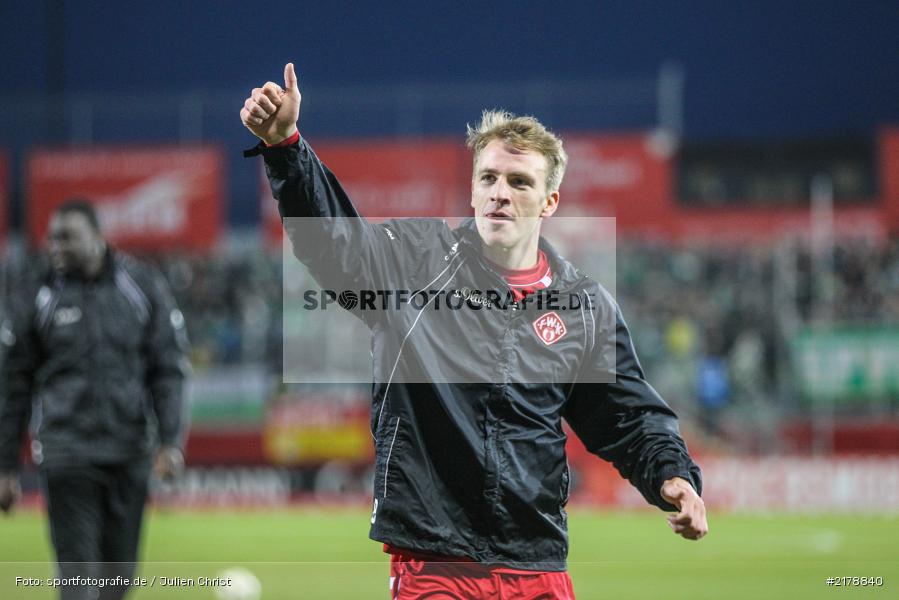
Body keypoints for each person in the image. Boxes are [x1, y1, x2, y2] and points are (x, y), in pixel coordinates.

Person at [241, 63, 707, 599]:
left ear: (549, 202)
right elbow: (336, 247)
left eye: (519, 181)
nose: (500, 193)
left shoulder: (584, 306)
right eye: (488, 178)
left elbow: (627, 418)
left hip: (537, 560)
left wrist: (673, 476)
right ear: (472, 190)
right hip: (435, 562)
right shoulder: (416, 263)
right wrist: (286, 150)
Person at [0, 200, 190, 600]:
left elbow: (168, 367)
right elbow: (14, 384)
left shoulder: (141, 285)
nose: (55, 246)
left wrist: (171, 441)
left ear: (98, 239)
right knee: (79, 583)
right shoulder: (38, 294)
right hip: (67, 453)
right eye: (52, 237)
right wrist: (5, 467)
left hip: (129, 455)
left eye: (67, 238)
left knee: (116, 587)